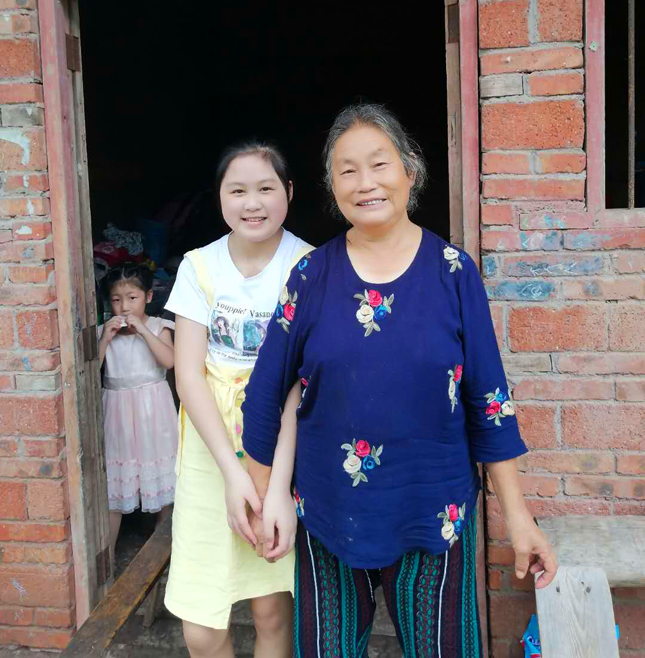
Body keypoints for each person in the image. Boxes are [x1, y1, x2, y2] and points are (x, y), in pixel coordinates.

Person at [242, 104, 558, 658]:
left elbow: (490, 403)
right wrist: (266, 497)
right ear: (332, 186)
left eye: (379, 164)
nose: (365, 183)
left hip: (433, 512)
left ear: (410, 172)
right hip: (328, 513)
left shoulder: (454, 273)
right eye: (347, 170)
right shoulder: (311, 276)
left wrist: (519, 520)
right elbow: (266, 393)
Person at [163, 141, 313, 658]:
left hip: (279, 444)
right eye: (238, 190)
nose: (253, 203)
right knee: (201, 625)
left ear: (289, 192)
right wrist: (232, 473)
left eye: (266, 188)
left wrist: (276, 488)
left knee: (272, 609)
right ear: (220, 197)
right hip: (210, 453)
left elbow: (301, 384)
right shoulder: (198, 266)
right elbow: (188, 375)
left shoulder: (309, 266)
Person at [98, 263, 177, 559]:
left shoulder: (158, 326)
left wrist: (143, 330)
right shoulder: (104, 331)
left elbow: (169, 361)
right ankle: (106, 558)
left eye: (132, 298)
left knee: (160, 476)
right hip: (117, 413)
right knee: (116, 481)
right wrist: (104, 339)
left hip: (153, 411)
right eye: (116, 300)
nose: (124, 306)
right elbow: (90, 371)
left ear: (148, 296)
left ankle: (162, 549)